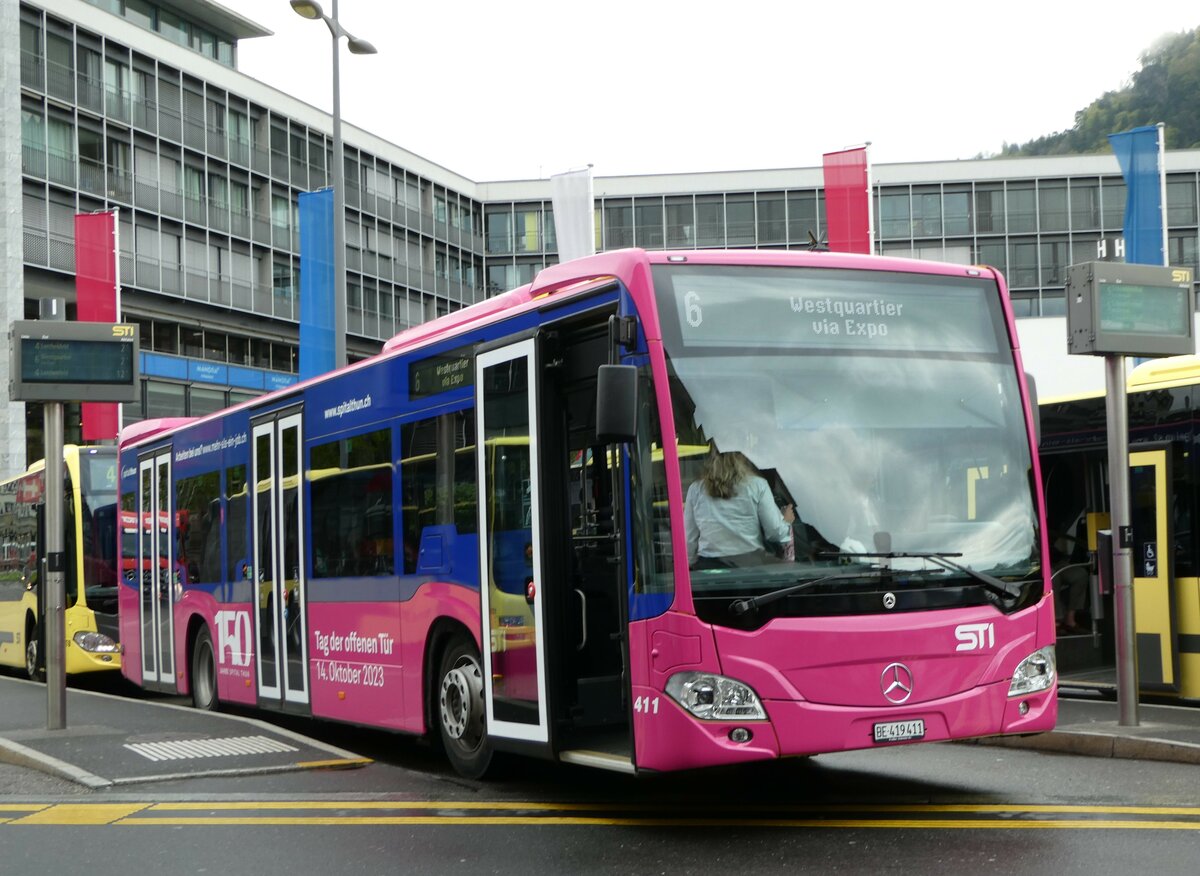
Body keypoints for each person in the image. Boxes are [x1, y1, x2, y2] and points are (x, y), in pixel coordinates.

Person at [684, 450, 795, 568]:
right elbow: (774, 532)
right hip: (750, 564)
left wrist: (690, 564)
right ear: (742, 459)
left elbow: (689, 537)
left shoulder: (696, 489)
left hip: (709, 565)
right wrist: (786, 521)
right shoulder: (757, 485)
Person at [1052, 507, 1089, 633]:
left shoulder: (1051, 520)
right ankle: (1055, 621)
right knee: (1053, 578)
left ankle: (1070, 617)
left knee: (1080, 575)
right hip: (1039, 565)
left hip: (1056, 561)